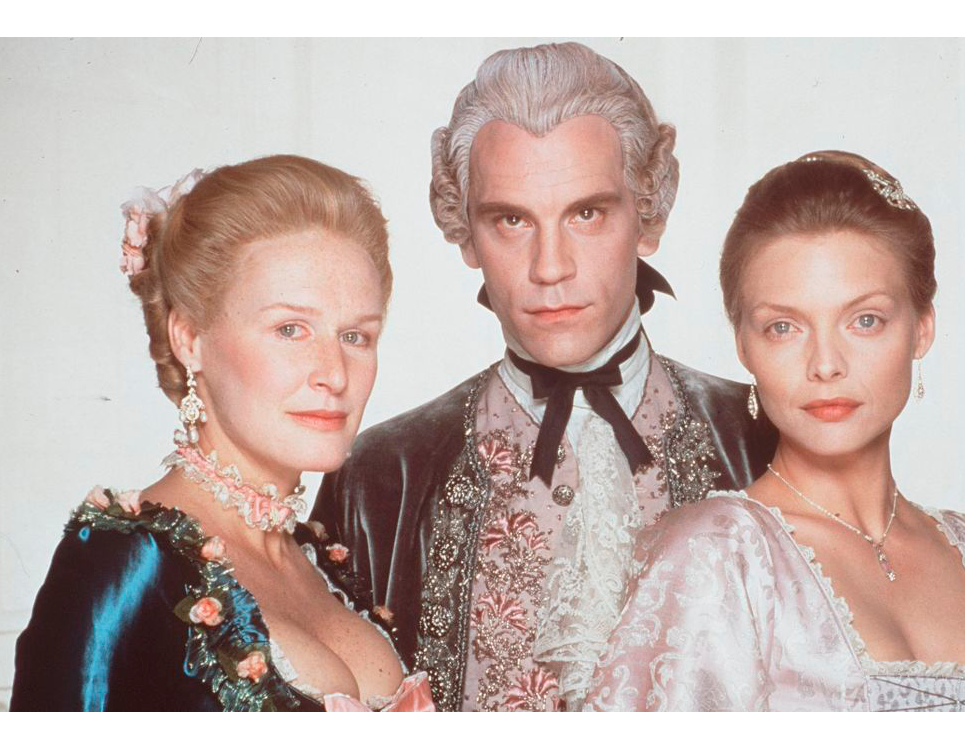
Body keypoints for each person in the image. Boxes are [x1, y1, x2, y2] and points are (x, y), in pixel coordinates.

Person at [309, 42, 778, 712]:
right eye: (511, 220)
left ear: (647, 214)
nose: (550, 266)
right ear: (465, 232)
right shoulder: (382, 474)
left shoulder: (765, 438)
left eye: (587, 214)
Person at [586, 150, 965, 711]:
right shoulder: (719, 556)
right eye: (784, 327)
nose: (826, 364)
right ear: (744, 345)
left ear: (922, 328)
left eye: (865, 320)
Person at [11, 155, 433, 711]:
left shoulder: (319, 560)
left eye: (356, 336)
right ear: (189, 338)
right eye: (290, 329)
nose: (334, 374)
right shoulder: (124, 563)